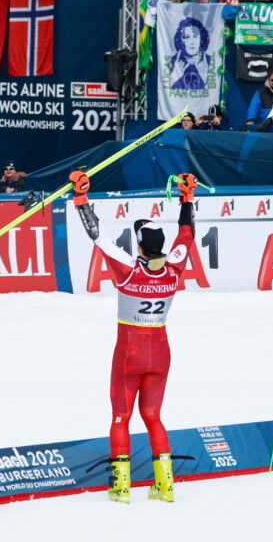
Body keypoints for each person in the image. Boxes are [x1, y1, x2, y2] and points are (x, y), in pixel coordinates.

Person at [70, 171, 201, 503]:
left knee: (120, 416)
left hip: (129, 353)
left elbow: (97, 236)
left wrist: (82, 198)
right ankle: (165, 485)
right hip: (161, 352)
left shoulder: (128, 270)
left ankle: (121, 486)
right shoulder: (174, 268)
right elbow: (187, 234)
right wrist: (187, 199)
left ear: (140, 245)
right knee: (153, 416)